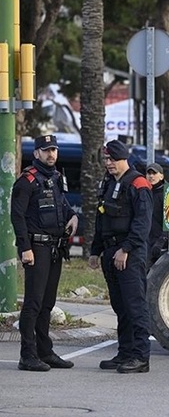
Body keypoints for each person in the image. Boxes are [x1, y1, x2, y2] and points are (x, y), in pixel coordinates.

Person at [11, 135, 78, 372]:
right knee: (34, 303)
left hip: (54, 247)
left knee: (48, 303)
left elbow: (63, 205)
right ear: (37, 153)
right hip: (36, 248)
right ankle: (27, 355)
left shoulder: (56, 178)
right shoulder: (26, 181)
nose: (51, 154)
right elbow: (17, 216)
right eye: (46, 150)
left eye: (54, 150)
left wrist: (73, 216)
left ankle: (45, 351)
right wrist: (24, 248)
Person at [88, 140, 153, 374]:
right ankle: (125, 352)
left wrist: (126, 249)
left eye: (112, 159)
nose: (108, 163)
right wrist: (95, 251)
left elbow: (142, 224)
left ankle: (140, 357)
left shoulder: (138, 183)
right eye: (106, 159)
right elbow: (101, 219)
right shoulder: (108, 183)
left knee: (135, 306)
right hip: (110, 252)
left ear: (124, 158)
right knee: (120, 307)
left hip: (129, 254)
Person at [145, 162, 169, 267]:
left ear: (161, 176)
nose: (151, 176)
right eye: (149, 173)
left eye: (154, 173)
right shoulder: (145, 193)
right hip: (150, 242)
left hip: (168, 244)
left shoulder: (168, 193)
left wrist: (161, 242)